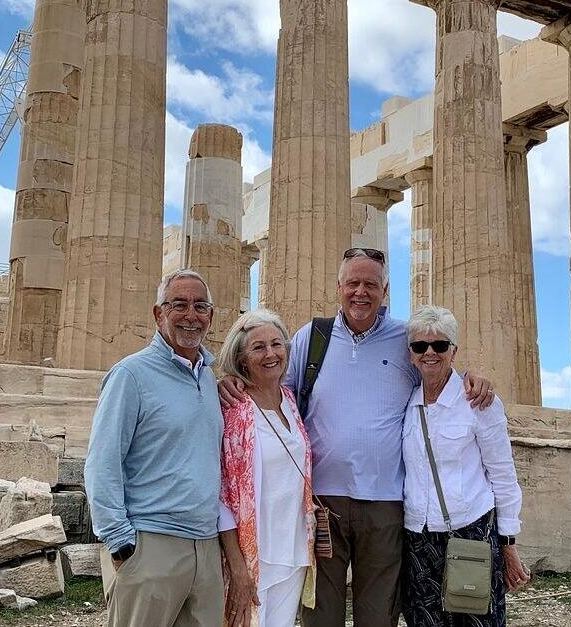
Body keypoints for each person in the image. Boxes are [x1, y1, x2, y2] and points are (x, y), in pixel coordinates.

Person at [220, 248, 495, 626]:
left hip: (384, 502)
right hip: (322, 504)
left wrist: (473, 378)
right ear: (339, 287)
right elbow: (273, 390)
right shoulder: (311, 338)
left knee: (378, 614)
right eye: (352, 283)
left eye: (370, 284)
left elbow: (438, 371)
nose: (360, 292)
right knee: (321, 613)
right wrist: (231, 381)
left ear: (385, 290)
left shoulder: (404, 339)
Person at [85, 269, 225, 627]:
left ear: (211, 315)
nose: (191, 315)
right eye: (179, 305)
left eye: (200, 306)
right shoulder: (130, 375)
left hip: (206, 548)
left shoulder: (209, 377)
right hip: (151, 543)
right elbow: (102, 462)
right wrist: (120, 542)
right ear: (158, 313)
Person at [401, 306, 529, 627]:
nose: (430, 352)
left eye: (440, 345)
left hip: (471, 532)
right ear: (411, 354)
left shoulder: (478, 402)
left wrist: (508, 543)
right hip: (417, 539)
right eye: (420, 346)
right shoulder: (406, 403)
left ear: (454, 351)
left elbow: (503, 474)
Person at [217, 309, 316, 627]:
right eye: (258, 347)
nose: (271, 354)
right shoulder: (235, 409)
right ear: (242, 358)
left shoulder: (289, 399)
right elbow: (223, 495)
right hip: (254, 553)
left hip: (294, 549)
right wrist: (237, 566)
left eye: (276, 344)